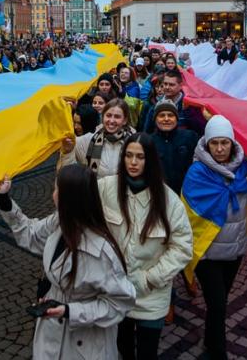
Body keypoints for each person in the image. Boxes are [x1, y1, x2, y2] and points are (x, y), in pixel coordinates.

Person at [0, 164, 136, 360]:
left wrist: (70, 310)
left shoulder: (101, 252)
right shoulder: (59, 222)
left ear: (70, 197)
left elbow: (121, 303)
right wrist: (4, 199)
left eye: (56, 189)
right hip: (52, 335)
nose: (52, 194)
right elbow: (31, 235)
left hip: (85, 347)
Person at [97, 133, 192, 360]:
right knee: (124, 348)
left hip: (151, 295)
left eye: (140, 157)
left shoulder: (169, 201)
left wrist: (150, 278)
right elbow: (78, 204)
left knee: (148, 353)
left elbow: (182, 246)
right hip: (116, 291)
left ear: (150, 160)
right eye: (128, 156)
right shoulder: (105, 188)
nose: (133, 162)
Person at [181, 116, 247, 360]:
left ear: (232, 143)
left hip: (234, 251)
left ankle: (210, 340)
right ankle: (217, 353)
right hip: (207, 253)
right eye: (215, 143)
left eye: (224, 143)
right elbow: (189, 214)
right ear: (207, 144)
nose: (219, 149)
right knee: (218, 304)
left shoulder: (242, 168)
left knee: (218, 304)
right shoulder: (197, 172)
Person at [61, 98, 135, 177]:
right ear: (103, 117)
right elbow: (70, 172)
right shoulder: (87, 140)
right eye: (108, 115)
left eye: (117, 117)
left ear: (125, 120)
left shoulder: (134, 143)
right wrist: (68, 152)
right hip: (94, 189)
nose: (111, 120)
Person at [149, 100, 199, 196]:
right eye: (162, 115)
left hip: (186, 195)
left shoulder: (190, 137)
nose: (166, 119)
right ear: (155, 119)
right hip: (159, 196)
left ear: (176, 118)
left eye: (170, 115)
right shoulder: (149, 141)